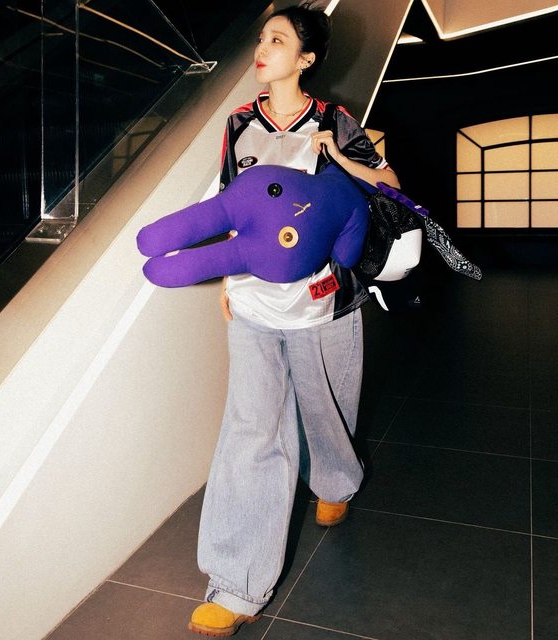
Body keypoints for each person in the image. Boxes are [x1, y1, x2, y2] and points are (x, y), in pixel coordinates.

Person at [189, 3, 400, 636]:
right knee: (252, 427)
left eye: (276, 40)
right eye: (261, 38)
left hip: (324, 299)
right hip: (256, 300)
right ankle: (236, 583)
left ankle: (335, 480)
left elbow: (388, 184)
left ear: (305, 58)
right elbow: (234, 207)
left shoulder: (334, 120)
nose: (261, 48)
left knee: (325, 406)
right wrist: (226, 278)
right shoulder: (238, 123)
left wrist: (338, 156)